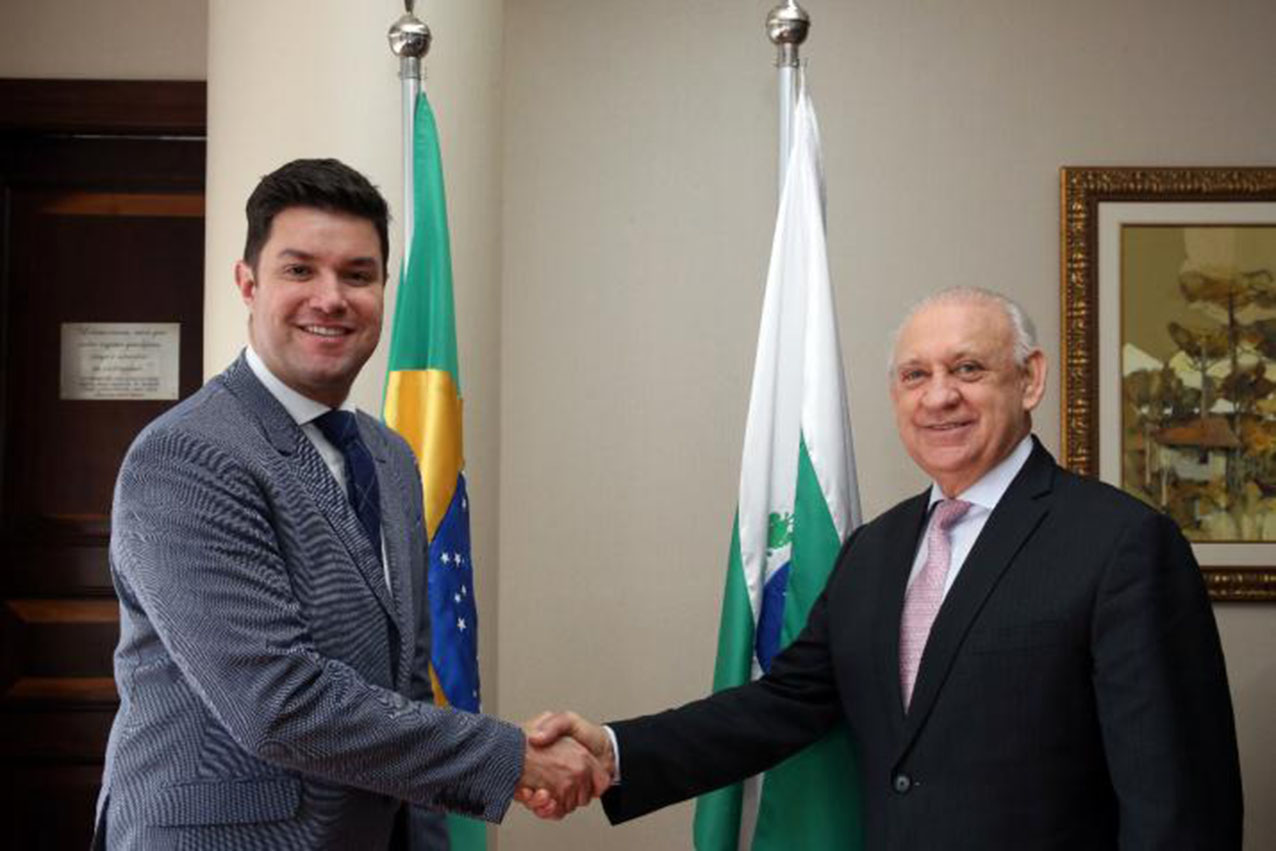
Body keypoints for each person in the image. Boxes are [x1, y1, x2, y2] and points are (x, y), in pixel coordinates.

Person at [524, 287, 1244, 849]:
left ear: (1030, 379)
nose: (939, 396)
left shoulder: (1123, 544)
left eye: (968, 369)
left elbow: (1178, 805)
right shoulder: (875, 551)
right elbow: (782, 704)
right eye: (914, 374)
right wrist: (613, 751)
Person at [94, 159, 606, 850]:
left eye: (357, 275)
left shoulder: (389, 456)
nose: (331, 298)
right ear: (248, 284)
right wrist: (512, 757)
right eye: (299, 270)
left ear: (382, 290)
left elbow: (408, 688)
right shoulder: (188, 456)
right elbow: (278, 703)